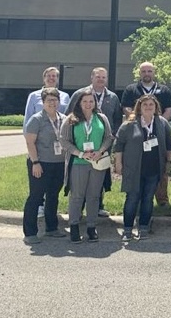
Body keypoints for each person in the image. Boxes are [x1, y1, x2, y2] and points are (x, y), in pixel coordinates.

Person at [114, 95, 171, 242]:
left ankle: (143, 228)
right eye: (145, 104)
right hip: (134, 169)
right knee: (132, 199)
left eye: (151, 105)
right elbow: (119, 145)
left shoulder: (162, 123)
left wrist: (169, 161)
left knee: (147, 199)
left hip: (153, 169)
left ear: (156, 107)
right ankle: (127, 229)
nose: (148, 107)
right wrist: (118, 163)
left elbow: (169, 143)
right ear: (139, 107)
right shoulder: (129, 124)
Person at [68, 67, 123, 217]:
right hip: (80, 146)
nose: (101, 80)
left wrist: (112, 136)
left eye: (103, 77)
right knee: (79, 179)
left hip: (103, 145)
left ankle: (98, 205)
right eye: (98, 77)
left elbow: (117, 118)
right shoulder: (80, 94)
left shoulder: (112, 97)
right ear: (91, 77)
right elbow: (69, 116)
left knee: (100, 174)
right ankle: (78, 209)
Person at [60, 90, 114, 243]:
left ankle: (91, 226)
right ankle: (74, 226)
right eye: (85, 101)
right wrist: (80, 153)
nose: (88, 104)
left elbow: (109, 137)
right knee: (77, 196)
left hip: (97, 163)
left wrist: (100, 151)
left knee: (94, 196)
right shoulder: (71, 120)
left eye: (91, 101)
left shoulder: (101, 118)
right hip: (78, 163)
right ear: (79, 103)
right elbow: (64, 141)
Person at [121, 62, 171, 207]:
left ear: (154, 73)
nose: (147, 73)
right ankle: (137, 198)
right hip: (137, 131)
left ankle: (162, 199)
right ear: (140, 73)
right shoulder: (131, 89)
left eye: (149, 71)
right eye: (144, 71)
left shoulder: (163, 89)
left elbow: (169, 108)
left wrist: (158, 122)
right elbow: (126, 107)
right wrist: (139, 120)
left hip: (158, 130)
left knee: (160, 166)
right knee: (138, 166)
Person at [22, 87, 68, 244]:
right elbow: (30, 142)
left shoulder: (63, 118)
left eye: (55, 100)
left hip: (59, 164)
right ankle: (30, 233)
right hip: (40, 164)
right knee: (35, 197)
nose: (52, 103)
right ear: (43, 102)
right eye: (49, 100)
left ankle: (52, 228)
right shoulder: (36, 119)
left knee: (53, 196)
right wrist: (35, 162)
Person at [23, 67, 70, 132]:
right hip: (40, 134)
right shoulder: (33, 96)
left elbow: (68, 116)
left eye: (54, 76)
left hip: (60, 133)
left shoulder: (65, 96)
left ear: (57, 79)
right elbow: (28, 117)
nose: (51, 78)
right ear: (44, 79)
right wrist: (27, 136)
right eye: (48, 76)